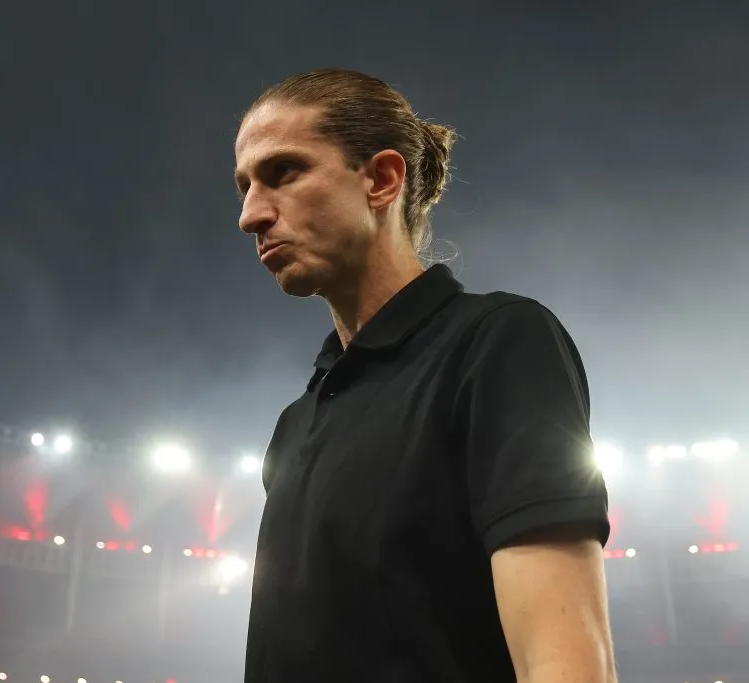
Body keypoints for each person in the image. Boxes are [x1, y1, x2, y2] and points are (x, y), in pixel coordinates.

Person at [234, 68, 616, 683]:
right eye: (244, 185)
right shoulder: (294, 423)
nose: (250, 215)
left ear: (382, 179)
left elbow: (565, 661)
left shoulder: (497, 343)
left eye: (283, 172)